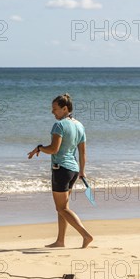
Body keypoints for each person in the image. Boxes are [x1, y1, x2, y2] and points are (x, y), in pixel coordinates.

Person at [28, 93, 93, 249]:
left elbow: (53, 149)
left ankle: (85, 235)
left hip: (61, 169)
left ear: (65, 109)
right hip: (74, 170)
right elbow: (83, 152)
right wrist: (82, 171)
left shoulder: (59, 126)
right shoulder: (79, 125)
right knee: (63, 207)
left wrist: (39, 148)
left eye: (55, 109)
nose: (52, 112)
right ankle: (60, 241)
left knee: (61, 208)